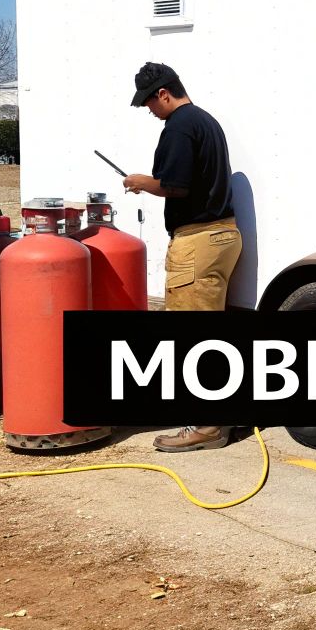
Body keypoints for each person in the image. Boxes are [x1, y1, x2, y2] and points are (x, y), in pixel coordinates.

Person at [121, 61, 244, 454]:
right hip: (224, 234)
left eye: (148, 103)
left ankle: (207, 427)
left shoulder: (177, 127)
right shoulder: (206, 122)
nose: (148, 111)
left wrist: (142, 182)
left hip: (198, 239)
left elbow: (176, 186)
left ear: (163, 93)